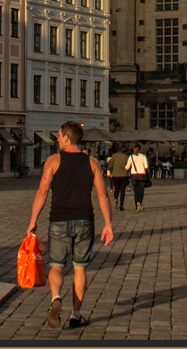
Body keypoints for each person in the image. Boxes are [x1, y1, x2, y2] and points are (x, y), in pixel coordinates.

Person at [25, 121, 114, 330]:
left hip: (58, 220)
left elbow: (42, 193)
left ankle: (56, 297)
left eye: (59, 135)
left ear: (67, 138)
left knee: (56, 265)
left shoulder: (53, 161)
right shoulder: (92, 163)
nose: (57, 139)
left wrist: (33, 221)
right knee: (80, 268)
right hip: (85, 221)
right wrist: (108, 224)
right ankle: (76, 315)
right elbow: (102, 196)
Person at [125, 145, 150, 212]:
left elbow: (127, 167)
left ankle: (137, 205)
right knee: (141, 191)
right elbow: (146, 167)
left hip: (134, 175)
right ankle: (140, 203)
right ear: (140, 150)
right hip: (142, 175)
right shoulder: (143, 156)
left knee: (136, 191)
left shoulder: (131, 157)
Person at [107, 145, 131, 210]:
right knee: (122, 190)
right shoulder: (126, 157)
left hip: (115, 174)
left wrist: (110, 171)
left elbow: (110, 165)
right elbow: (128, 166)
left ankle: (115, 198)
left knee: (116, 188)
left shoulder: (114, 156)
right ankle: (122, 204)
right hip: (124, 175)